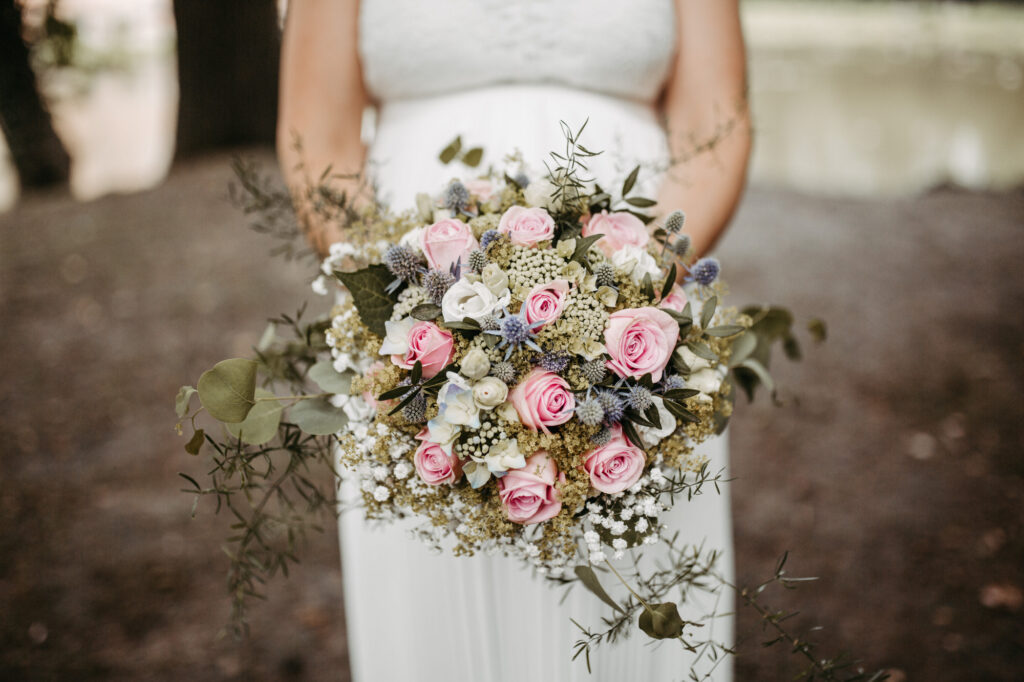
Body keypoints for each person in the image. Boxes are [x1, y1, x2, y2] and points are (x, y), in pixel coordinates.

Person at [277, 1, 751, 680]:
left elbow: (715, 125)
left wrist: (632, 287)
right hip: (415, 314)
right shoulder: (408, 310)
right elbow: (316, 141)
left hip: (639, 302)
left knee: (633, 597)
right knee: (438, 611)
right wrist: (400, 300)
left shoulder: (637, 299)